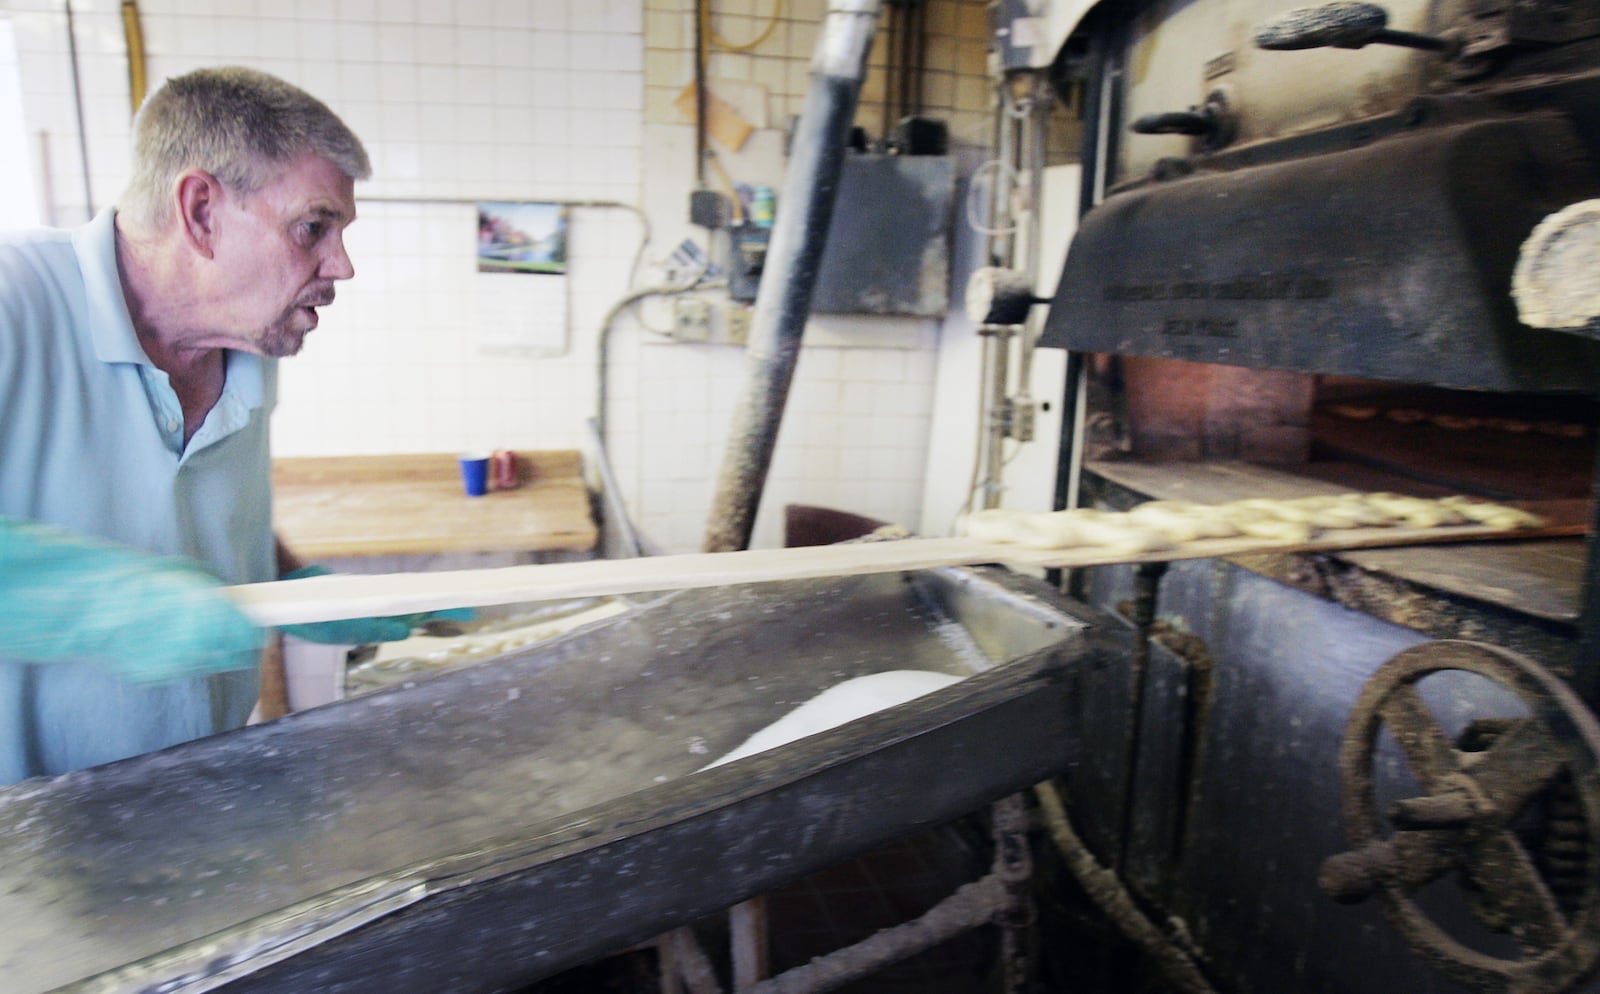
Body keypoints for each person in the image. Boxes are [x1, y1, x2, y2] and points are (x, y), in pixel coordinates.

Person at [0, 67, 447, 786]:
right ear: (201, 210)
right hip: (24, 833)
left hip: (190, 793)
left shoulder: (247, 349)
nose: (342, 265)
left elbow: (210, 515)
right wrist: (82, 596)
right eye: (314, 228)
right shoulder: (13, 299)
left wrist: (296, 584)